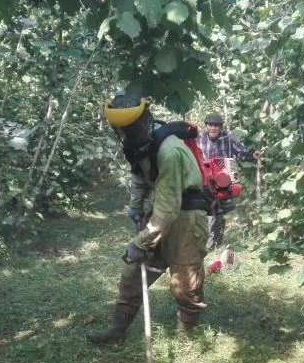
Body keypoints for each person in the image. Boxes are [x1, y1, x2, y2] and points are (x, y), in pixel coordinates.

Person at [86, 91, 210, 344]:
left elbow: (169, 209)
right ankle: (116, 330)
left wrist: (140, 242)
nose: (127, 135)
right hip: (161, 213)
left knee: (185, 283)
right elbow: (140, 175)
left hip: (185, 219)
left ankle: (186, 334)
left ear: (145, 119)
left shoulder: (169, 151)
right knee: (133, 273)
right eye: (122, 131)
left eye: (130, 128)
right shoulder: (139, 144)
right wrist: (136, 207)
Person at [197, 111, 261, 250]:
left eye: (216, 125)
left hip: (223, 182)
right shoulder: (199, 140)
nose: (213, 128)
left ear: (220, 127)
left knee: (219, 212)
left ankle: (215, 242)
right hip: (204, 181)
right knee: (206, 211)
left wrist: (252, 154)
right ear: (206, 126)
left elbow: (241, 151)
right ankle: (207, 242)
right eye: (210, 125)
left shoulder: (228, 140)